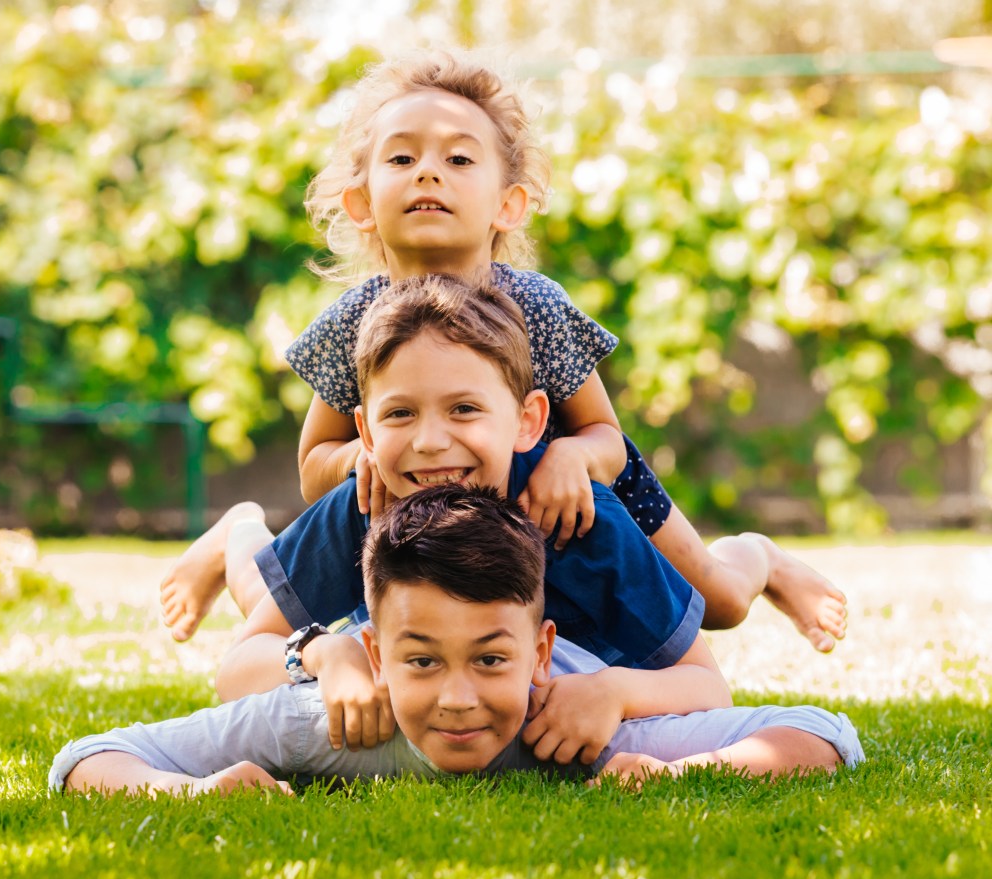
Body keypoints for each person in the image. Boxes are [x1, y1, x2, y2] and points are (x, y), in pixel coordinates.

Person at [160, 49, 848, 653]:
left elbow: (604, 433)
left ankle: (762, 559)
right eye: (402, 158)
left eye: (459, 159)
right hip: (416, 493)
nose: (429, 173)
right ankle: (235, 537)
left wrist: (573, 457)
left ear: (509, 204)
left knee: (717, 608)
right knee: (270, 604)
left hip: (568, 492)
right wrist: (361, 458)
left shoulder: (536, 306)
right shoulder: (356, 319)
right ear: (362, 200)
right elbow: (314, 468)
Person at [164, 274, 732, 762]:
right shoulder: (363, 506)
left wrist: (614, 694)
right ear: (364, 433)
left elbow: (708, 686)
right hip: (398, 626)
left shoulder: (584, 523)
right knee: (269, 599)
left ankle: (241, 538)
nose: (431, 443)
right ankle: (240, 534)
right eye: (401, 414)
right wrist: (325, 653)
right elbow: (236, 671)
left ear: (528, 421)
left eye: (464, 409)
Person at [55, 485, 863, 799]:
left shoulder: (564, 723)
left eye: (491, 660)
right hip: (329, 607)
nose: (457, 698)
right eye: (420, 663)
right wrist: (193, 792)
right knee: (254, 606)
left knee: (724, 594)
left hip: (584, 574)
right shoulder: (335, 718)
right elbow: (87, 756)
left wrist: (675, 769)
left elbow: (824, 734)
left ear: (541, 655)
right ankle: (239, 529)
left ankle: (758, 551)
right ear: (375, 658)